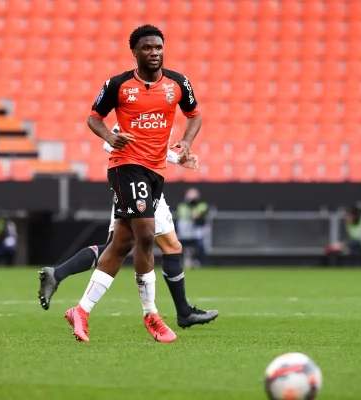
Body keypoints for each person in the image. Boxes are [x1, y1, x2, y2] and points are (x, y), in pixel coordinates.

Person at [64, 24, 202, 342]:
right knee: (147, 234)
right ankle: (151, 314)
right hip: (125, 166)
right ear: (135, 52)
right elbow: (94, 117)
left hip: (156, 171)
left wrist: (186, 142)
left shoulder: (178, 83)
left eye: (158, 47)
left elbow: (194, 115)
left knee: (122, 244)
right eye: (147, 48)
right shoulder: (118, 85)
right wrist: (109, 136)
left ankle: (80, 311)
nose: (154, 52)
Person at [38, 124, 218, 329]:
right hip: (135, 184)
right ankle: (171, 313)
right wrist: (153, 161)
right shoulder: (138, 108)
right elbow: (110, 143)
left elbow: (154, 149)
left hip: (147, 183)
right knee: (125, 248)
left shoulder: (163, 113)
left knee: (135, 247)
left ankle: (59, 277)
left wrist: (175, 158)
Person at [177, 188, 209, 267]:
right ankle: (180, 263)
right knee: (176, 247)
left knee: (201, 246)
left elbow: (197, 215)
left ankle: (201, 263)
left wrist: (193, 206)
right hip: (184, 233)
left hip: (196, 233)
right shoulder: (181, 206)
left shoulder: (202, 205)